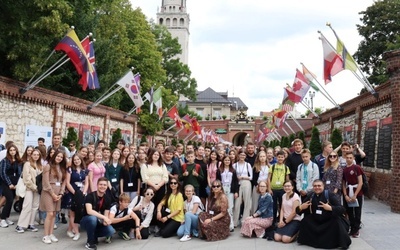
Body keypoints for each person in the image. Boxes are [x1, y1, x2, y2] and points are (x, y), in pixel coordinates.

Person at [296, 179, 351, 249]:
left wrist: (331, 208)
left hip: (328, 221)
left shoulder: (330, 195)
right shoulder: (310, 196)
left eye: (319, 186)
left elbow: (342, 209)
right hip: (316, 221)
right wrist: (301, 207)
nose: (317, 187)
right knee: (305, 220)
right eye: (315, 186)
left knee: (337, 222)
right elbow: (298, 212)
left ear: (323, 186)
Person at [80, 177, 115, 250]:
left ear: (107, 186)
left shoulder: (107, 198)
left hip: (99, 221)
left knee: (111, 231)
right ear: (97, 185)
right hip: (86, 220)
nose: (102, 186)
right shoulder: (90, 196)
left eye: (105, 185)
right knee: (93, 218)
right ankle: (90, 242)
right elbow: (89, 211)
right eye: (101, 184)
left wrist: (106, 221)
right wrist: (104, 217)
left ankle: (93, 236)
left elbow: (106, 213)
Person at [40, 150, 67, 244]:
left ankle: (51, 234)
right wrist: (52, 194)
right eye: (58, 156)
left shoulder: (62, 168)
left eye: (61, 157)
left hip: (58, 192)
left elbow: (64, 182)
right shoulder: (48, 166)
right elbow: (45, 182)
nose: (59, 158)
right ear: (54, 156)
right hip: (48, 192)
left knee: (54, 214)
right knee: (50, 214)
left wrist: (61, 193)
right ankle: (45, 235)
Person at [140, 148, 169, 230]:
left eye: (157, 155)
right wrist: (154, 186)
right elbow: (145, 178)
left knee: (159, 206)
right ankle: (149, 224)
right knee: (150, 206)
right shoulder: (145, 166)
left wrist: (158, 185)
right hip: (149, 189)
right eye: (154, 154)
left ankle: (158, 225)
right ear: (151, 155)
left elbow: (165, 177)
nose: (156, 156)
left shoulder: (162, 165)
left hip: (161, 188)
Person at [15, 149, 43, 233]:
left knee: (35, 207)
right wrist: (34, 187)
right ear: (31, 155)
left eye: (37, 155)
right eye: (34, 154)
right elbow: (26, 178)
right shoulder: (27, 164)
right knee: (27, 206)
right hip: (29, 188)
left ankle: (31, 224)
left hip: (37, 189)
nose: (36, 156)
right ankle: (20, 225)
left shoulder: (40, 165)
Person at [65, 154, 89, 241]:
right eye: (74, 160)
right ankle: (77, 232)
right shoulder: (70, 170)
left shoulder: (85, 170)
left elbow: (86, 183)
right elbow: (67, 182)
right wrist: (75, 193)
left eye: (78, 159)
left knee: (79, 212)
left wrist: (84, 192)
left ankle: (69, 230)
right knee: (72, 213)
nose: (76, 161)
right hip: (73, 193)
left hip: (82, 192)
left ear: (81, 159)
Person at [0, 144, 22, 228]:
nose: (12, 152)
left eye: (14, 150)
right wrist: (9, 184)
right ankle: (2, 219)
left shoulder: (18, 161)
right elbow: (3, 173)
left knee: (11, 200)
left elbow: (19, 173)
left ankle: (6, 217)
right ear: (8, 152)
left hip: (15, 183)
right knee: (8, 199)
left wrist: (17, 184)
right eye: (11, 150)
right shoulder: (5, 161)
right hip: (5, 183)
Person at [342, 152, 364, 238]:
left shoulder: (356, 168)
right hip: (348, 191)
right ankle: (352, 228)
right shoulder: (344, 169)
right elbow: (343, 183)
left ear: (353, 158)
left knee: (357, 211)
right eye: (347, 157)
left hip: (357, 192)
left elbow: (360, 182)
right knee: (350, 211)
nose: (348, 159)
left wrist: (355, 194)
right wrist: (345, 195)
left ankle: (357, 229)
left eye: (350, 158)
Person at [216, 155, 238, 232]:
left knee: (230, 207)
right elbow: (217, 181)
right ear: (223, 161)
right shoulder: (219, 170)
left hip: (230, 190)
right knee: (222, 207)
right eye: (225, 160)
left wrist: (236, 191)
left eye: (228, 160)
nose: (227, 162)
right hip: (222, 189)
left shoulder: (233, 170)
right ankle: (223, 224)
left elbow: (235, 182)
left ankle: (230, 225)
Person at [268, 150, 290, 223]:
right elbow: (268, 178)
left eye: (282, 157)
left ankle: (281, 220)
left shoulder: (286, 167)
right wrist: (269, 188)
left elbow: (287, 179)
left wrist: (287, 190)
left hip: (282, 190)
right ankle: (273, 221)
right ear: (276, 157)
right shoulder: (272, 166)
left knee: (282, 206)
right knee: (273, 206)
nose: (280, 158)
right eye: (279, 157)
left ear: (284, 158)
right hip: (273, 189)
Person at [233, 149, 253, 227]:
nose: (242, 156)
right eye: (241, 155)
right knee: (237, 203)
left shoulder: (247, 165)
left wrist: (243, 177)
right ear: (238, 156)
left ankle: (245, 220)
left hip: (246, 183)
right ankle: (235, 221)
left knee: (247, 202)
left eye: (244, 155)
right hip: (238, 184)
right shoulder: (235, 165)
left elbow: (251, 177)